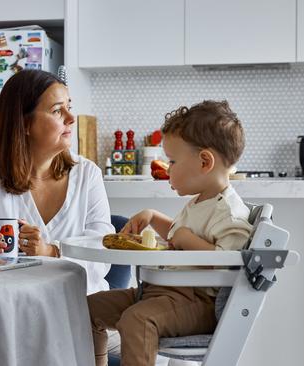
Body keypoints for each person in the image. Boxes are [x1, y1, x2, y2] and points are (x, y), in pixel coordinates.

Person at [88, 100, 254, 366]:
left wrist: (189, 241)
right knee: (87, 308)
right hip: (160, 292)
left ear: (204, 161)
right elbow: (177, 233)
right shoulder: (202, 201)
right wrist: (153, 217)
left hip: (198, 303)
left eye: (173, 161)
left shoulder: (230, 213)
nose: (168, 169)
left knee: (137, 320)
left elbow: (230, 263)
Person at [0, 69, 113, 294]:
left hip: (80, 310)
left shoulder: (88, 175)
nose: (71, 118)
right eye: (57, 110)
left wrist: (50, 251)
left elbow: (103, 250)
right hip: (10, 309)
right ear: (25, 125)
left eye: (69, 106)